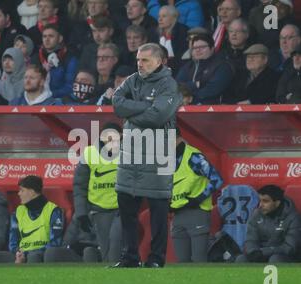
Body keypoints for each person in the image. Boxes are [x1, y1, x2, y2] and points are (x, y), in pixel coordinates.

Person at [112, 43, 180, 268]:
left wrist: (132, 115)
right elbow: (117, 103)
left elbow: (157, 117)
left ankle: (156, 259)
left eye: (145, 61)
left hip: (157, 156)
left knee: (158, 213)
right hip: (130, 156)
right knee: (127, 211)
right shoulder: (133, 80)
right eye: (138, 60)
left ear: (159, 61)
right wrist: (144, 106)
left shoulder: (169, 85)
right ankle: (129, 257)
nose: (140, 64)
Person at [170, 128, 223, 262]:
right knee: (182, 262)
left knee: (199, 261)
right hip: (177, 214)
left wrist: (198, 199)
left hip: (196, 212)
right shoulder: (168, 159)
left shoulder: (193, 156)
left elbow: (217, 179)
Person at [73, 122, 122, 262]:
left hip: (123, 209)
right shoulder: (89, 153)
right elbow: (79, 186)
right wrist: (81, 213)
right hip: (100, 210)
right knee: (107, 251)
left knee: (117, 243)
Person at [235, 185, 301, 263]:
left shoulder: (293, 218)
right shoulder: (256, 214)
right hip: (260, 254)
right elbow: (250, 240)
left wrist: (264, 252)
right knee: (241, 259)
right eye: (260, 201)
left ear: (277, 203)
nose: (260, 205)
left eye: (265, 201)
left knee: (275, 259)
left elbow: (290, 247)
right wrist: (253, 251)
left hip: (284, 256)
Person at [9, 175, 65, 263]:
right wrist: (18, 253)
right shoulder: (18, 212)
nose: (18, 193)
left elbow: (55, 243)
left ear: (32, 192)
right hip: (20, 254)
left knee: (33, 257)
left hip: (41, 254)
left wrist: (27, 253)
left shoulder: (53, 210)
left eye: (22, 190)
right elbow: (12, 241)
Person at [176, 33, 234, 105]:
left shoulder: (223, 66)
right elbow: (177, 86)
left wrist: (190, 97)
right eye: (194, 48)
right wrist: (195, 85)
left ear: (212, 48)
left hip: (213, 111)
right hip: (187, 110)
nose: (197, 50)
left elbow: (212, 90)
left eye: (202, 47)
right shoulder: (188, 66)